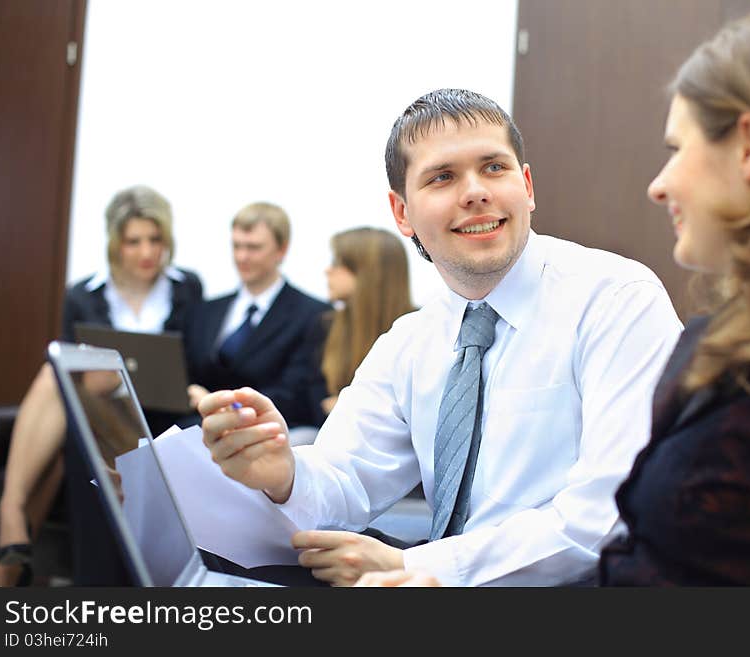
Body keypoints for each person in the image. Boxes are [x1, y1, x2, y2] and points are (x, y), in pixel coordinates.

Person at [358, 5, 750, 587]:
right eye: (442, 177)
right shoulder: (718, 342)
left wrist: (433, 572)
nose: (660, 184)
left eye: (678, 149)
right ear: (402, 211)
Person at [198, 89, 683, 587]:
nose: (475, 191)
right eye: (443, 177)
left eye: (495, 167)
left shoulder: (616, 300)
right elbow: (342, 480)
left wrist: (419, 566)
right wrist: (283, 474)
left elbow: (608, 514)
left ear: (528, 186)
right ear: (402, 213)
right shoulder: (411, 340)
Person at [0, 184, 203, 586]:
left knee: (60, 437)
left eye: (155, 239)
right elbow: (73, 377)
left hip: (160, 416)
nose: (147, 252)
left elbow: (191, 363)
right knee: (56, 373)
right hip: (100, 411)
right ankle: (11, 514)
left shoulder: (186, 289)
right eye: (134, 241)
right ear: (115, 243)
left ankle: (10, 525)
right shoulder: (83, 295)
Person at [182, 202, 329, 431]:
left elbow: (295, 393)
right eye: (236, 246)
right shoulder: (206, 311)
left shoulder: (312, 314)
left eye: (253, 247)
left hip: (267, 433)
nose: (242, 256)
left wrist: (225, 405)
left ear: (281, 250)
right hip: (198, 430)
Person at [312, 227, 415, 422]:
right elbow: (317, 401)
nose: (328, 270)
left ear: (367, 271)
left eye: (336, 263)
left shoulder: (417, 328)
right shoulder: (326, 324)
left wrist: (345, 404)